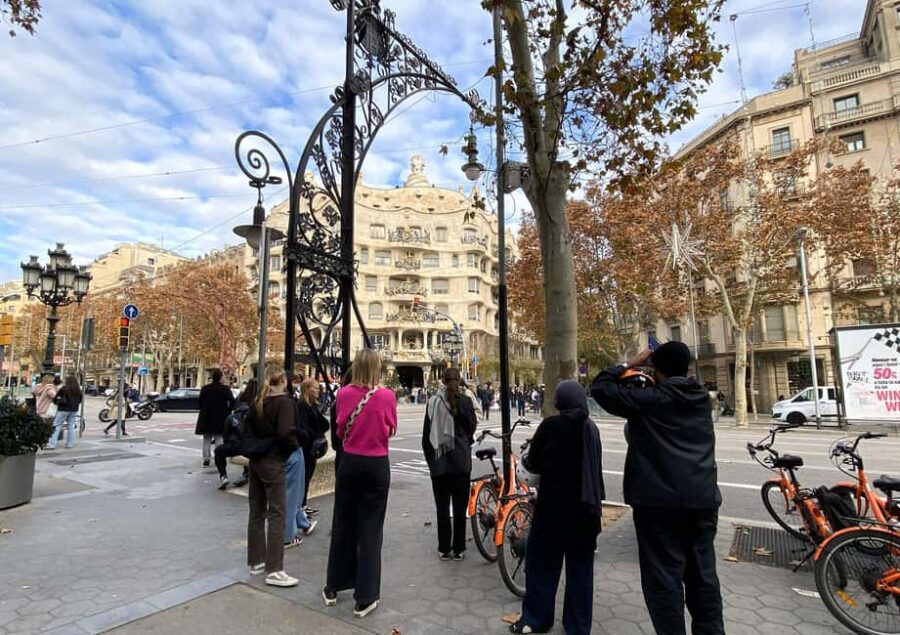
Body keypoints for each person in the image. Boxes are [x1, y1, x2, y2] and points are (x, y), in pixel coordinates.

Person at [590, 342, 724, 635]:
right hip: (702, 499)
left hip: (659, 504)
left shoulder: (650, 400)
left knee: (663, 579)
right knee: (703, 576)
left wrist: (631, 363)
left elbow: (600, 387)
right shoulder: (701, 397)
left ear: (655, 368)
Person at [510, 380, 604, 635]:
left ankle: (536, 619)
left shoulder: (551, 427)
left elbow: (534, 464)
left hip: (553, 511)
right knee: (581, 573)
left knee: (542, 566)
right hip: (585, 513)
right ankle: (577, 626)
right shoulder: (591, 429)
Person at [323, 349, 397, 618]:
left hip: (350, 463)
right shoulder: (387, 396)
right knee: (371, 529)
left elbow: (340, 429)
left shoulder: (342, 394)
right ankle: (365, 596)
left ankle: (333, 586)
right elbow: (390, 429)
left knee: (342, 523)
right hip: (376, 464)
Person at [245, 366, 300, 588]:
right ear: (283, 380)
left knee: (256, 511)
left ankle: (256, 560)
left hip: (256, 460)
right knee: (277, 512)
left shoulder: (258, 402)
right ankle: (275, 569)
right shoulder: (283, 403)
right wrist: (293, 446)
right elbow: (286, 432)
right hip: (273, 460)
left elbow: (247, 429)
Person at [422, 367, 477, 561]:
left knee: (442, 507)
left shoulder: (433, 403)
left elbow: (426, 437)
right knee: (460, 508)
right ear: (459, 381)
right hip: (461, 462)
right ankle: (459, 548)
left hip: (440, 463)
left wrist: (431, 462)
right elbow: (472, 428)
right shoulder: (466, 401)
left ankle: (444, 547)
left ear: (443, 381)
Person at [283, 384, 316, 550]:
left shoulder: (262, 401)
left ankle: (303, 523)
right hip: (291, 451)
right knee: (293, 493)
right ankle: (288, 536)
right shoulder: (288, 404)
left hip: (274, 454)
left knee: (289, 493)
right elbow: (291, 430)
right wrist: (303, 436)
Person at [214, 380, 256, 490]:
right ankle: (246, 473)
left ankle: (223, 476)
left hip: (236, 445)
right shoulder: (256, 409)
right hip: (253, 445)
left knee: (219, 451)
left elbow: (226, 435)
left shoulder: (232, 417)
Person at [297, 377, 330, 515]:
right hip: (306, 448)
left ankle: (303, 504)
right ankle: (300, 507)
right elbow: (304, 427)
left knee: (307, 476)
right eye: (315, 388)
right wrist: (317, 434)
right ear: (307, 389)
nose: (318, 390)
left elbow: (323, 423)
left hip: (312, 449)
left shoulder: (313, 406)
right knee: (303, 477)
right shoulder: (302, 406)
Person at [195, 369, 236, 468]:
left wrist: (204, 410)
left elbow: (200, 402)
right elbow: (232, 402)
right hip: (220, 416)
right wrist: (228, 411)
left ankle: (206, 459)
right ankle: (219, 457)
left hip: (206, 416)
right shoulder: (225, 389)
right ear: (221, 377)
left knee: (207, 439)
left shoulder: (205, 388)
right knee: (219, 438)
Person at [46, 376, 83, 450]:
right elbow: (80, 400)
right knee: (71, 426)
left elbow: (56, 398)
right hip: (73, 410)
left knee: (56, 425)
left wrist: (58, 403)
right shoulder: (78, 390)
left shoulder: (64, 389)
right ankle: (69, 444)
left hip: (63, 409)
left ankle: (51, 444)